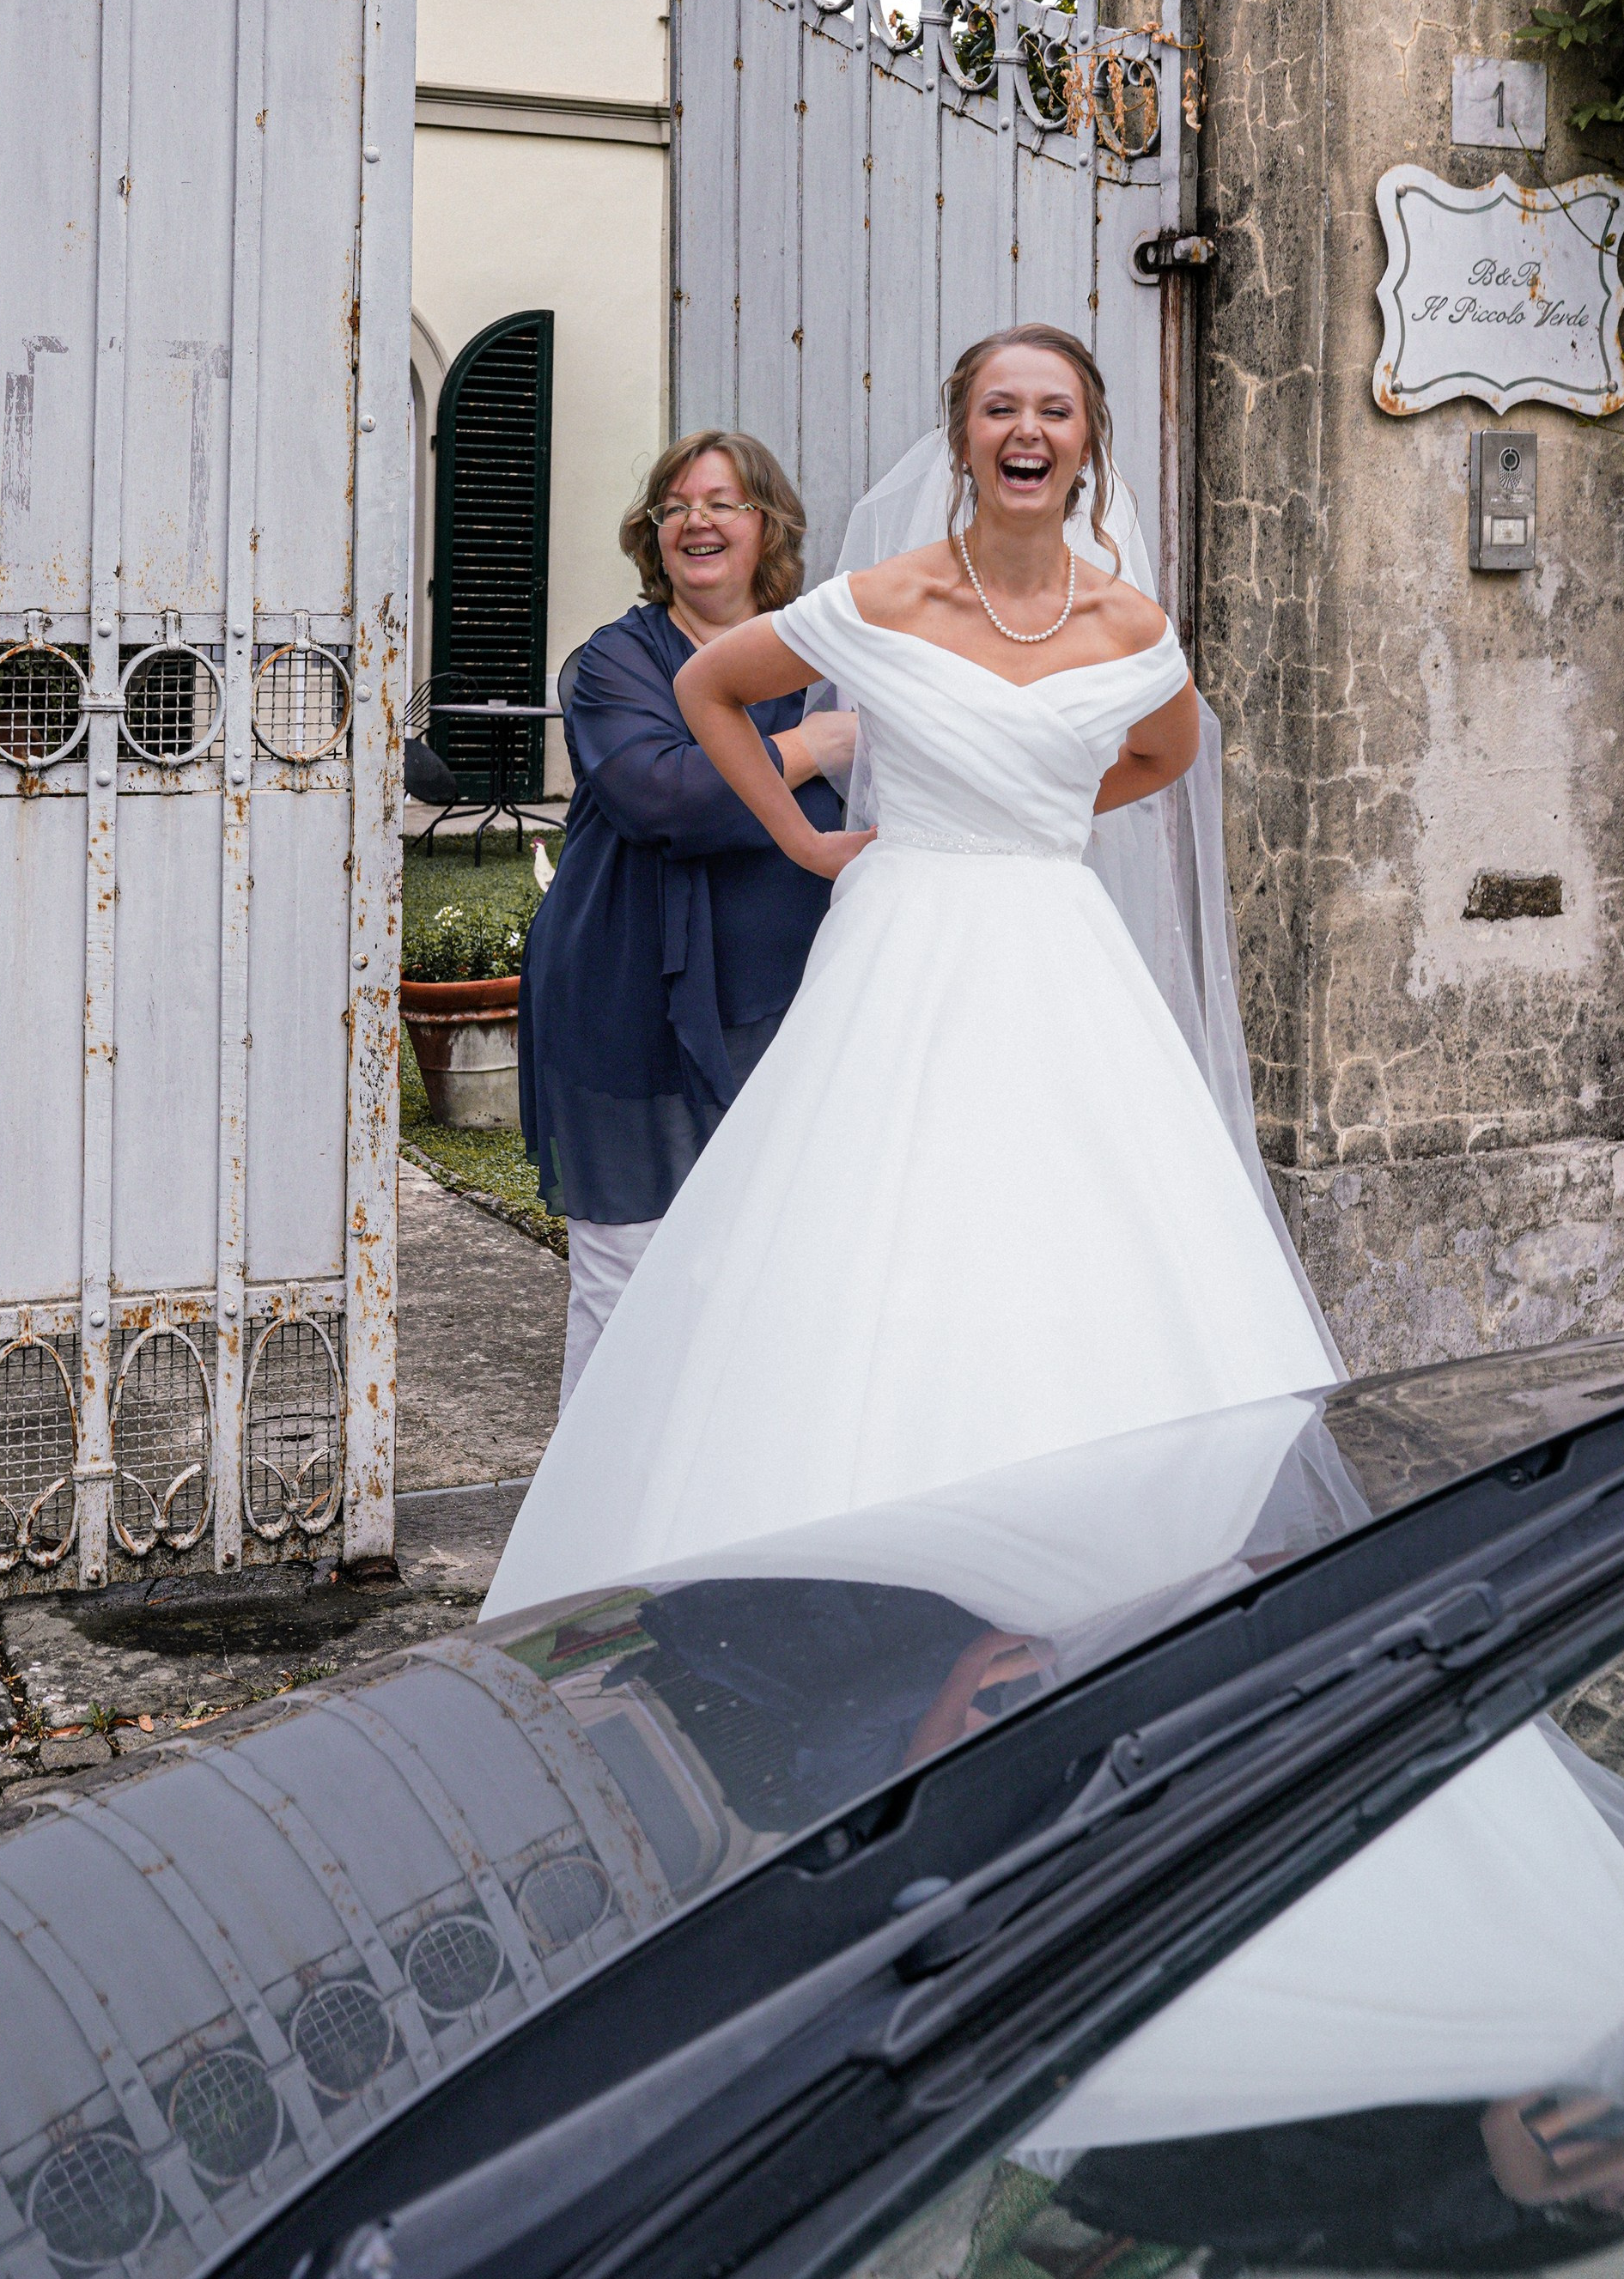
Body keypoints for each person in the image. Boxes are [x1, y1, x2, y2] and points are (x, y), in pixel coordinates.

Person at [484, 324, 1338, 1619]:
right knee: (865, 1233)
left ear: (1088, 443)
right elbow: (712, 691)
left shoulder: (1128, 623)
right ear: (961, 438)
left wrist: (1041, 813)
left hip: (1057, 954)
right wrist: (803, 839)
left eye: (1053, 410)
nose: (1026, 431)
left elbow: (1168, 754)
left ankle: (1098, 1546)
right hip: (901, 946)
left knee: (1069, 1231)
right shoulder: (886, 599)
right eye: (999, 408)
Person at [517, 430, 853, 1407]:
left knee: (771, 1284)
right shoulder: (615, 664)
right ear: (653, 534)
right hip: (625, 1007)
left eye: (721, 503)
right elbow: (667, 799)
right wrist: (814, 744)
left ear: (768, 527)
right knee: (629, 1285)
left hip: (784, 1011)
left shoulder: (827, 659)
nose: (695, 521)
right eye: (675, 507)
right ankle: (599, 1504)